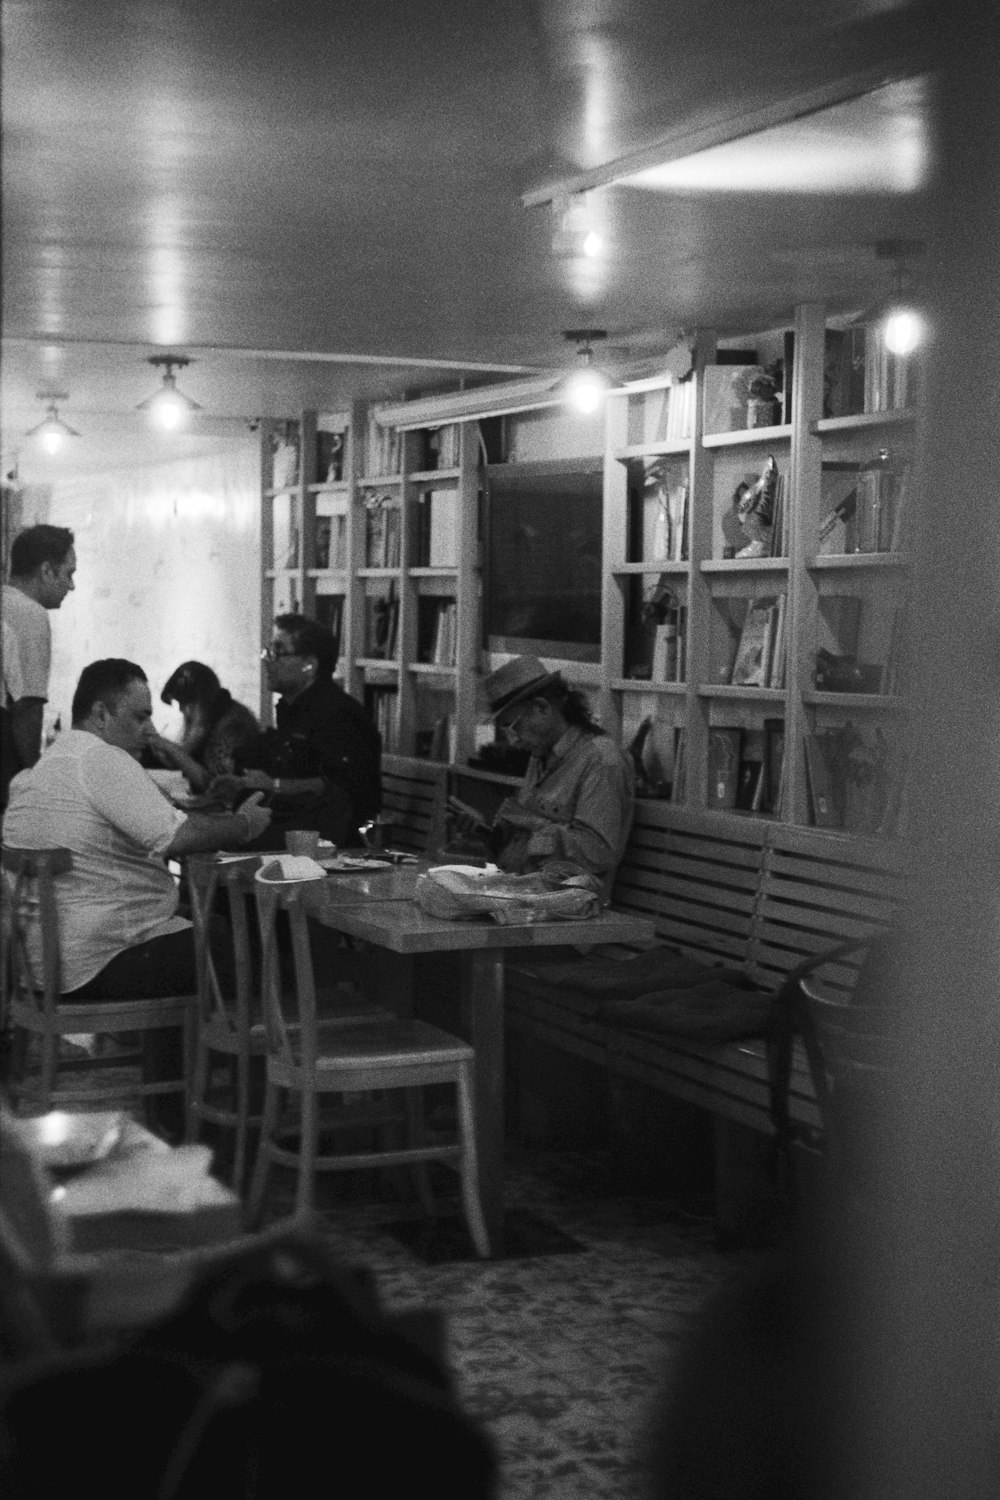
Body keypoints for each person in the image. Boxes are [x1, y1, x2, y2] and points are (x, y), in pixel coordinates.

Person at [3, 659, 272, 1134]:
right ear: (101, 714)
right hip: (91, 963)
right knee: (237, 946)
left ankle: (174, 1112)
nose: (149, 729)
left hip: (37, 963)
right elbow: (178, 837)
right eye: (138, 716)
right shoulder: (101, 760)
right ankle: (235, 1122)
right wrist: (244, 825)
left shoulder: (41, 770)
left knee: (193, 930)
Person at [447, 656, 635, 901]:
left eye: (514, 726)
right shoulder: (540, 755)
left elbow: (596, 852)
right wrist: (486, 833)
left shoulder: (601, 761)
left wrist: (535, 827)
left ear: (542, 708)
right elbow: (523, 840)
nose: (513, 740)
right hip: (519, 893)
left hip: (564, 910)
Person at [208, 613, 382, 850]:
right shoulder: (291, 707)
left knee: (219, 841)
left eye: (278, 653)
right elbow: (291, 769)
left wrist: (274, 784)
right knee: (213, 832)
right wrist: (245, 783)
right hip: (295, 821)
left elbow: (339, 788)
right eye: (268, 651)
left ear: (309, 665)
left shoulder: (337, 713)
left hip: (329, 836)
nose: (267, 660)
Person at [1, 523, 77, 810]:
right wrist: (34, 777)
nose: (71, 586)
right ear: (46, 571)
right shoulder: (30, 615)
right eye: (68, 573)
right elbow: (27, 707)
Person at [148, 659, 259, 793]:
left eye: (184, 702)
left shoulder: (233, 724)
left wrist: (172, 749)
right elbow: (185, 761)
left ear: (199, 699)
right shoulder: (211, 719)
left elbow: (215, 784)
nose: (182, 710)